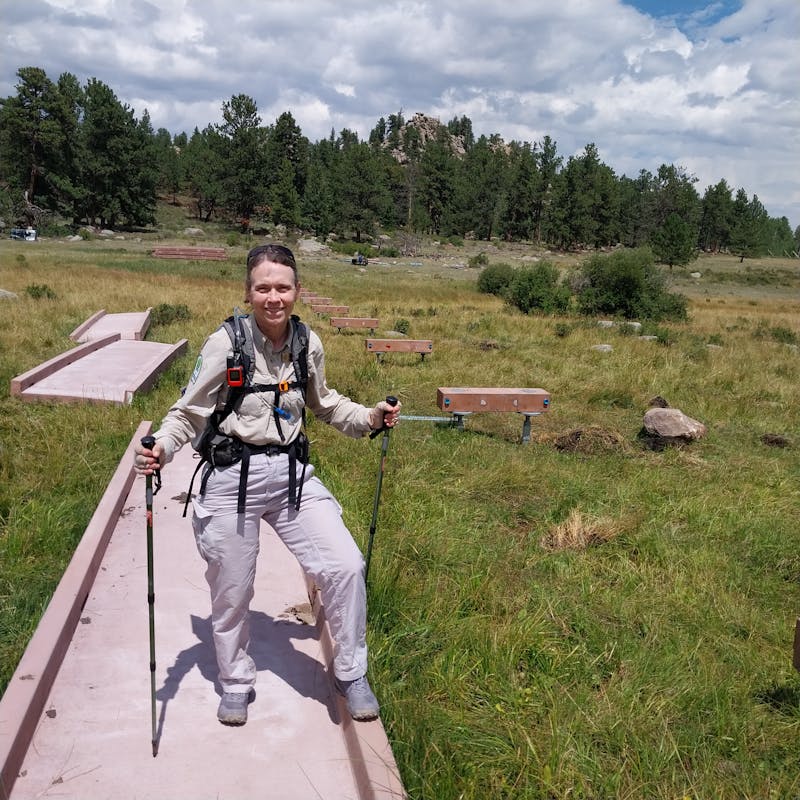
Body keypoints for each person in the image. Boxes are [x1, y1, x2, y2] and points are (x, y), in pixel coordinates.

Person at [134, 243, 400, 726]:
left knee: (344, 563)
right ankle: (235, 680)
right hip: (231, 478)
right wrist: (161, 449)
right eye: (263, 288)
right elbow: (188, 412)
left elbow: (326, 405)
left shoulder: (306, 343)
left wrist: (371, 418)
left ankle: (350, 671)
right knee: (232, 589)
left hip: (292, 477)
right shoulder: (226, 344)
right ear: (249, 292)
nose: (273, 297)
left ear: (297, 291)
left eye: (282, 287)